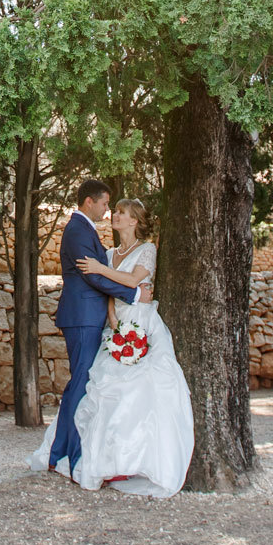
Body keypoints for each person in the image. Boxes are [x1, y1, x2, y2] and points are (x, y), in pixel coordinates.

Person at [62, 196, 193, 497]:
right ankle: (110, 463)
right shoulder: (109, 253)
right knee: (106, 391)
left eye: (120, 212)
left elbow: (134, 281)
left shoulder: (147, 250)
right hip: (117, 323)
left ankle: (138, 461)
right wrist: (111, 317)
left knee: (141, 391)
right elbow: (109, 290)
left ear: (134, 221)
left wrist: (98, 268)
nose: (114, 216)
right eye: (115, 211)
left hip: (141, 322)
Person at [30, 180, 138, 481]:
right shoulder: (77, 230)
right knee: (81, 384)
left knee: (80, 383)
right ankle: (71, 456)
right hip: (81, 316)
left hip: (89, 315)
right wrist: (133, 295)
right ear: (89, 201)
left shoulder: (85, 229)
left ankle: (60, 453)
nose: (107, 210)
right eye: (105, 204)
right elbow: (93, 277)